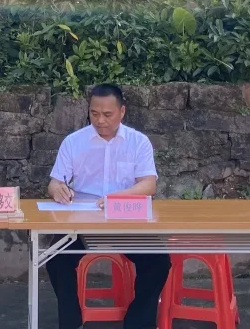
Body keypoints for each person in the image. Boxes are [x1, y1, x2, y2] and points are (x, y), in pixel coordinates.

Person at [45, 84, 170, 329]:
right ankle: (71, 322)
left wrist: (117, 197)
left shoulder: (138, 142)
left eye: (107, 114)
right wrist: (57, 189)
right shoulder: (73, 142)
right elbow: (54, 182)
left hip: (126, 220)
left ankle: (137, 322)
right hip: (82, 223)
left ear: (122, 111)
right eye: (94, 113)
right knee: (56, 260)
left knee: (158, 262)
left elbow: (148, 185)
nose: (100, 120)